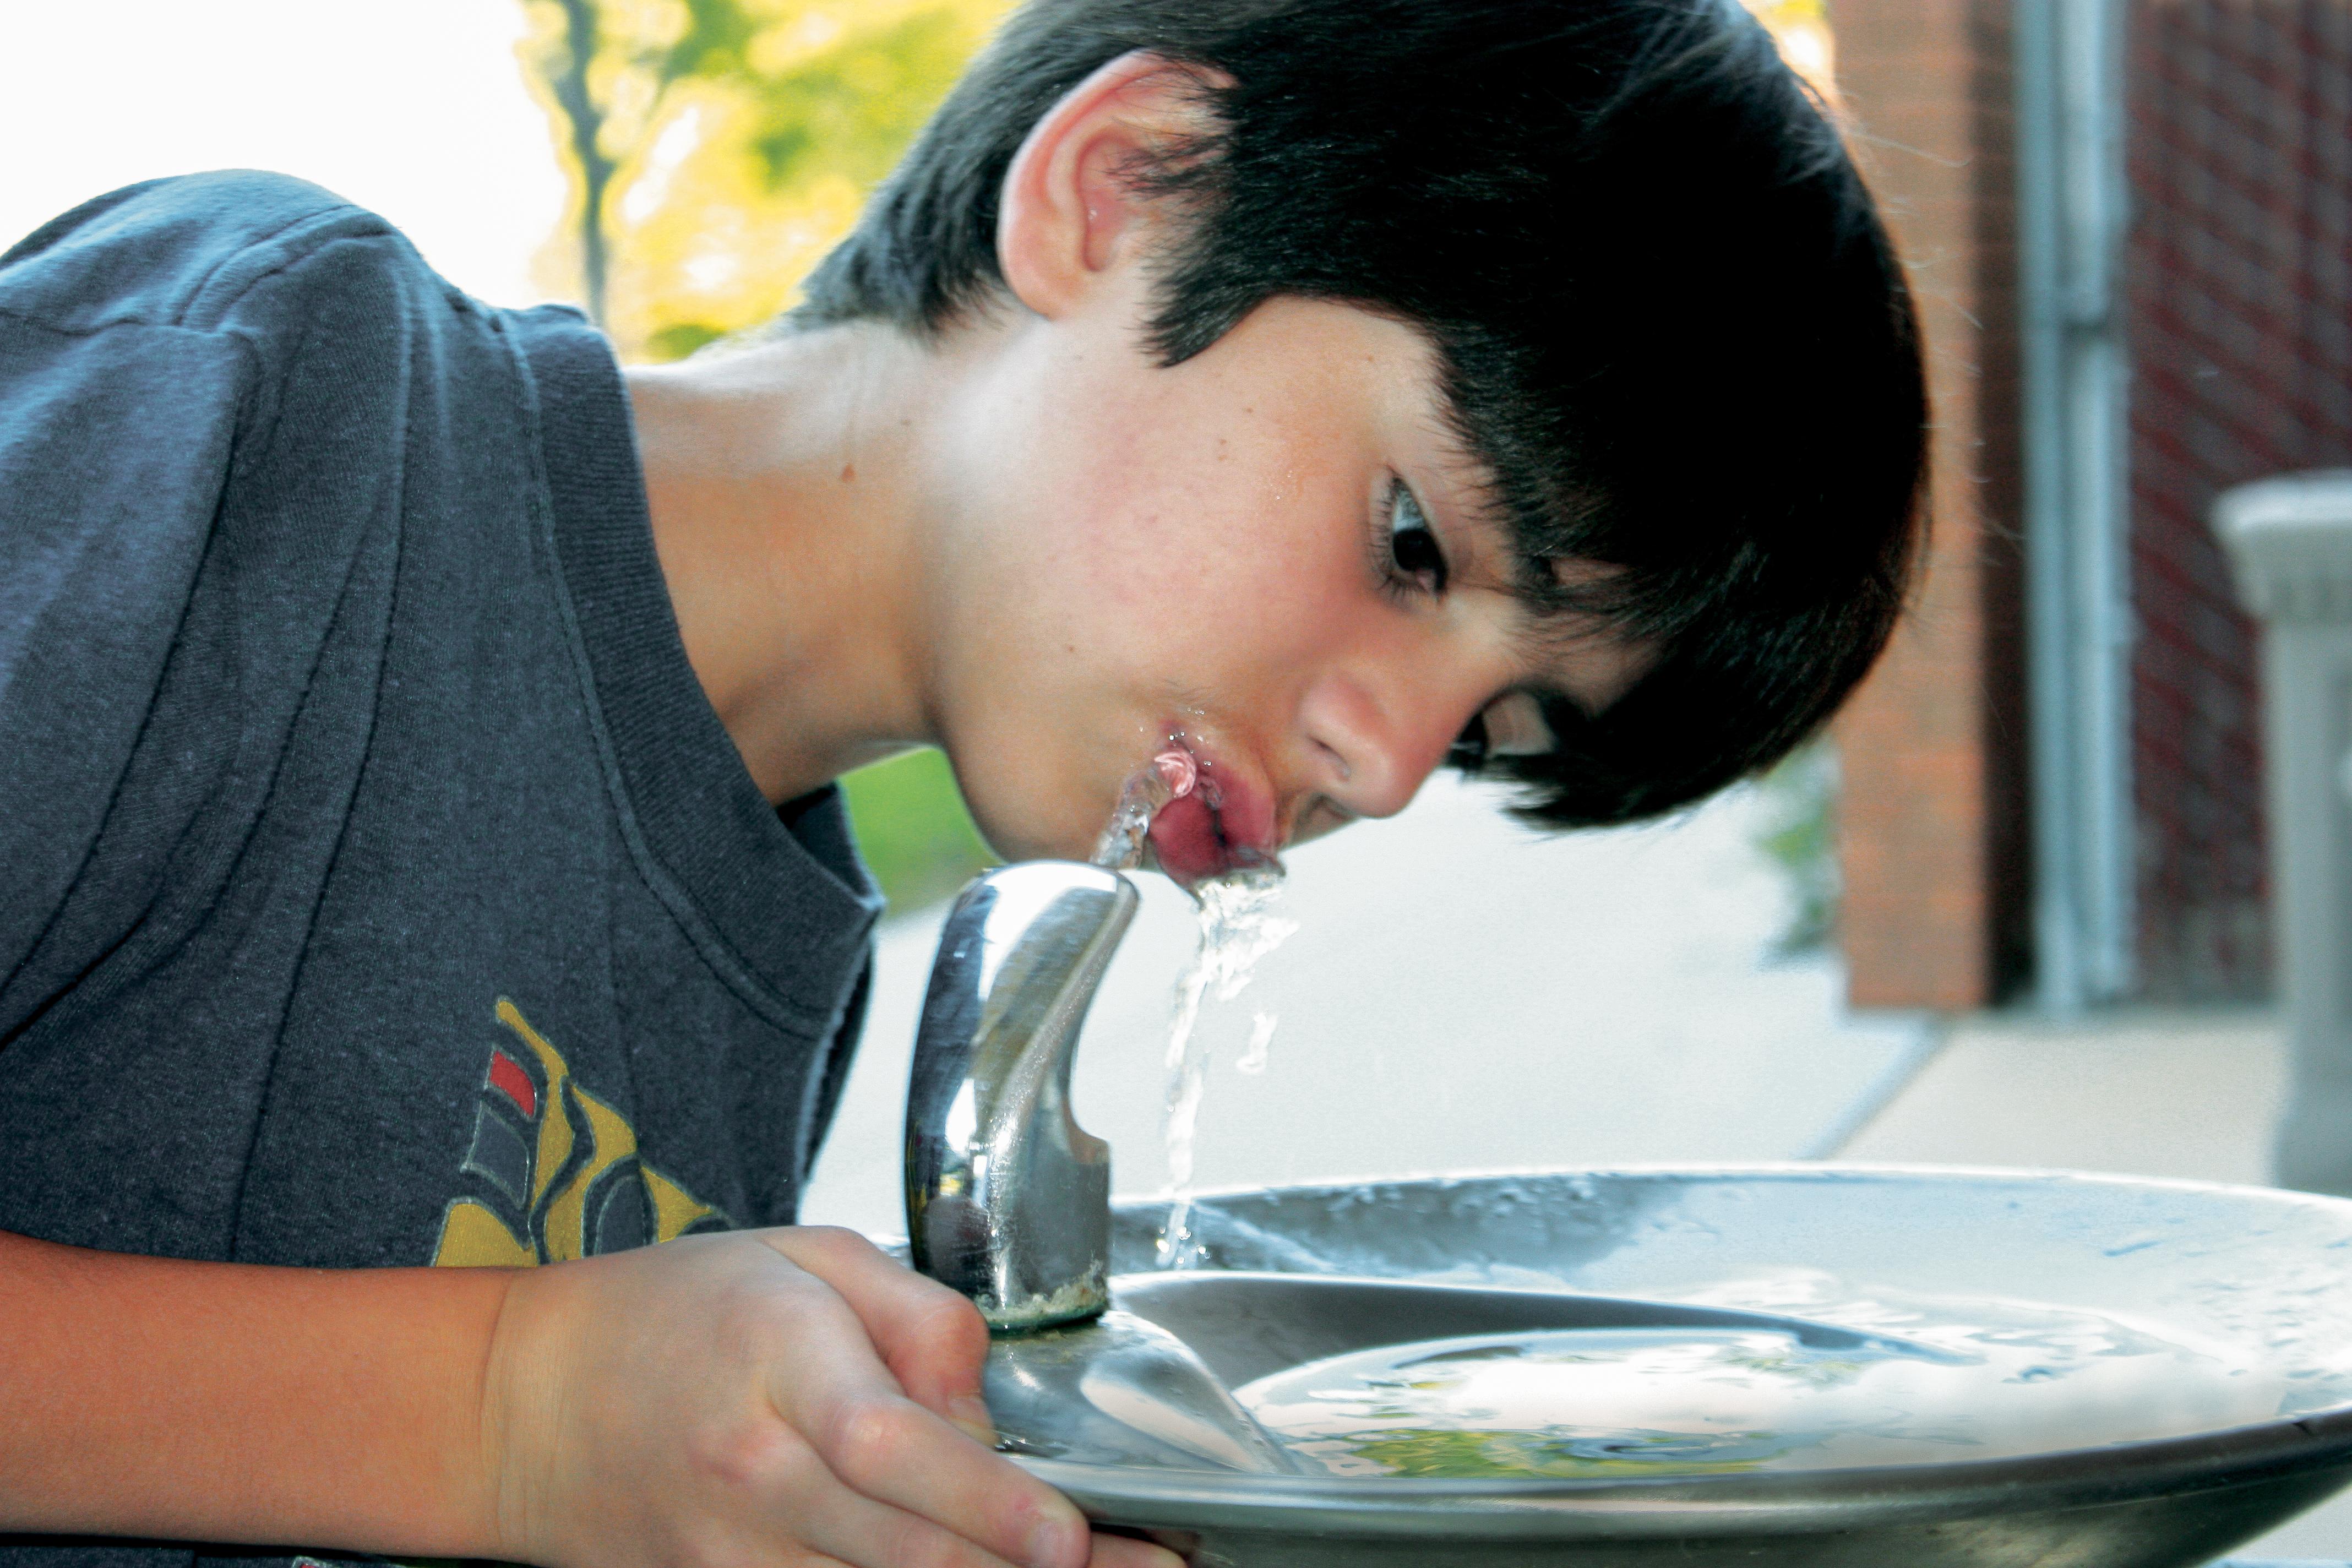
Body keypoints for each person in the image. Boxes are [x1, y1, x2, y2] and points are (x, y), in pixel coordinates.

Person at [0, 0, 1926, 1564]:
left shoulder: (769, 945)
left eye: (1503, 733)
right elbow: (478, 1429)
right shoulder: (266, 393)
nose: (1396, 759)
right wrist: (495, 1410)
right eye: (1416, 545)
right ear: (1131, 188)